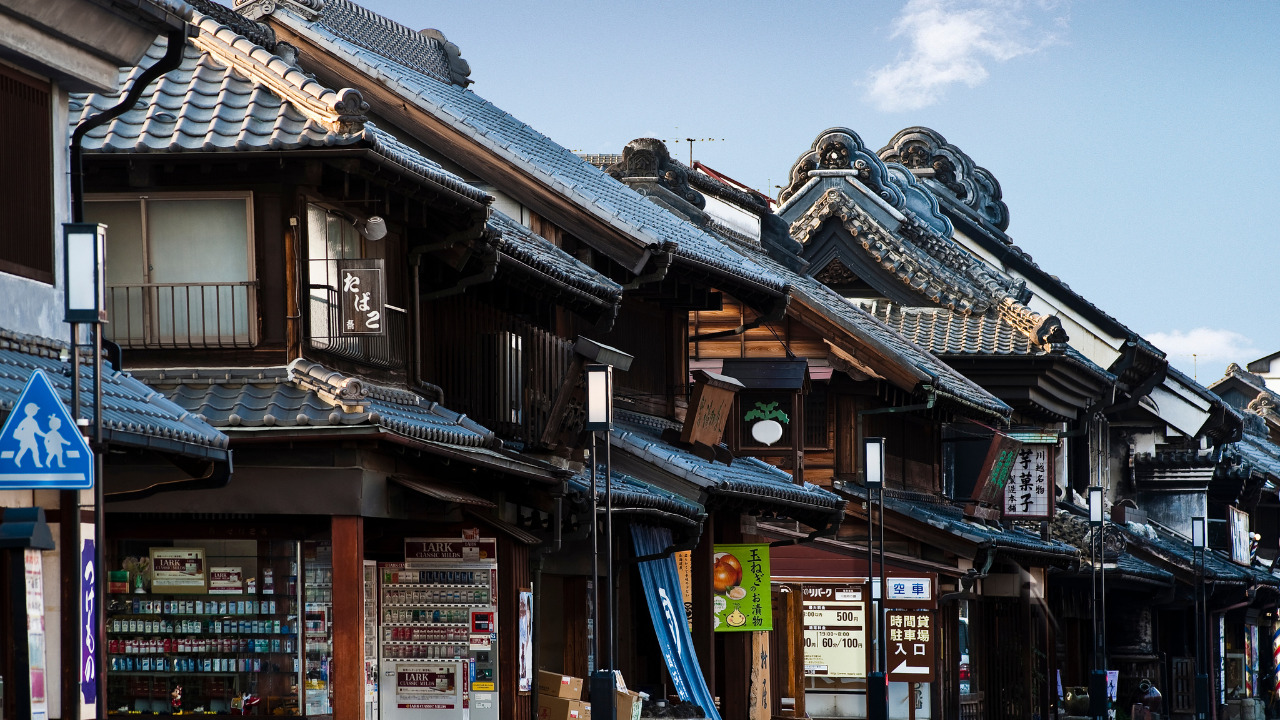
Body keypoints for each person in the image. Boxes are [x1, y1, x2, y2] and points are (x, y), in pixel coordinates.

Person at [13, 402, 44, 468]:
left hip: (31, 439)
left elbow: (38, 431)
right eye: (35, 410)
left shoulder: (33, 421)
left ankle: (37, 464)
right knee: (24, 450)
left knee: (35, 451)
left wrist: (46, 435)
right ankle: (17, 460)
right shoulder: (25, 420)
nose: (36, 412)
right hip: (26, 439)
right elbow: (19, 428)